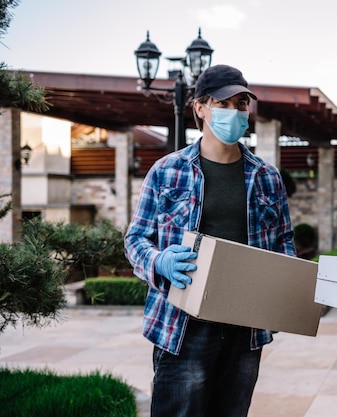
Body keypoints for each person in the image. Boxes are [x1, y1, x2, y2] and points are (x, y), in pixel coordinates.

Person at [124, 64, 296, 417]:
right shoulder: (166, 170)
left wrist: (286, 283)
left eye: (241, 104)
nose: (235, 113)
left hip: (244, 328)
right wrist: (160, 262)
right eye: (224, 104)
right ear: (200, 109)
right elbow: (136, 239)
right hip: (183, 326)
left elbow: (284, 243)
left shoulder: (267, 177)